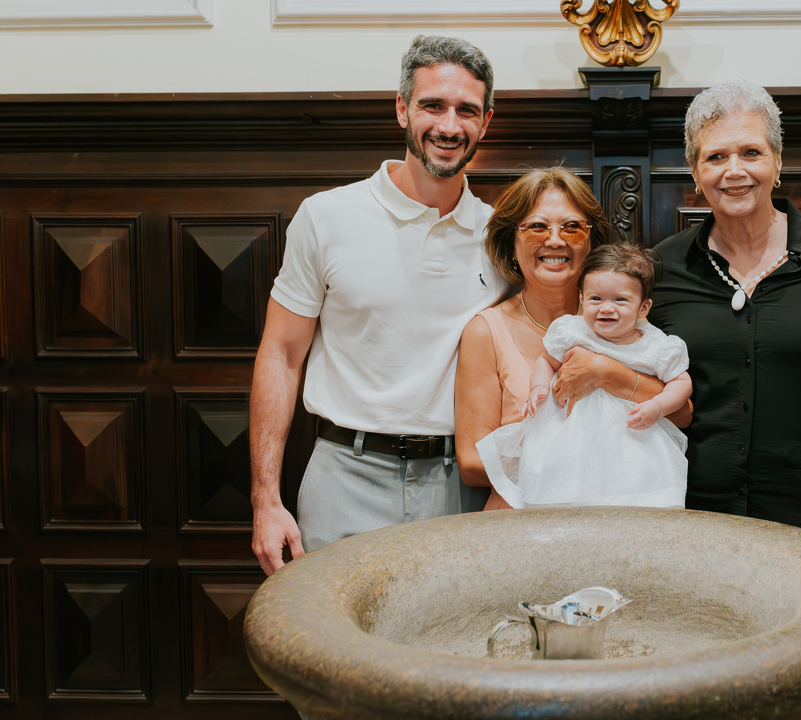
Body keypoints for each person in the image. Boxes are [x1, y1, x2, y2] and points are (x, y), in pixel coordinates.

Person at [250, 36, 506, 575]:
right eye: (432, 105)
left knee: (450, 650)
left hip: (458, 483)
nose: (449, 125)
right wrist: (265, 501)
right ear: (401, 108)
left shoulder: (501, 237)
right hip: (344, 474)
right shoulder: (326, 217)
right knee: (336, 654)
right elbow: (281, 354)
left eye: (466, 110)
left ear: (486, 120)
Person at [647, 79, 801, 544]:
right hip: (700, 529)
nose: (734, 170)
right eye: (715, 157)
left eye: (751, 153)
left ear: (778, 163)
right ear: (694, 174)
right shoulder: (662, 270)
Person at [455, 168, 689, 510]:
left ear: (591, 241)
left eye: (572, 227)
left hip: (621, 522)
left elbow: (681, 415)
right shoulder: (485, 330)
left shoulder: (627, 323)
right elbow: (472, 462)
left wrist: (608, 372)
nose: (554, 240)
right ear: (511, 242)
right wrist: (576, 469)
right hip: (520, 528)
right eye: (537, 226)